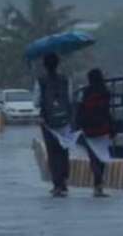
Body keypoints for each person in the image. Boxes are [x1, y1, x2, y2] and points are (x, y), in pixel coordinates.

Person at [35, 53, 74, 197]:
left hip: (48, 122)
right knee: (64, 150)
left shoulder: (41, 81)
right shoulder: (66, 79)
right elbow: (70, 99)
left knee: (52, 153)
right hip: (65, 121)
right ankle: (63, 182)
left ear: (45, 65)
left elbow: (36, 102)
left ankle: (57, 184)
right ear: (58, 64)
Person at [76, 68, 115, 197]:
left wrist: (78, 125)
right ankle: (99, 185)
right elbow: (108, 111)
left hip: (89, 129)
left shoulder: (85, 92)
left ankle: (97, 184)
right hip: (103, 128)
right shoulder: (105, 92)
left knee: (93, 157)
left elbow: (79, 110)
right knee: (102, 155)